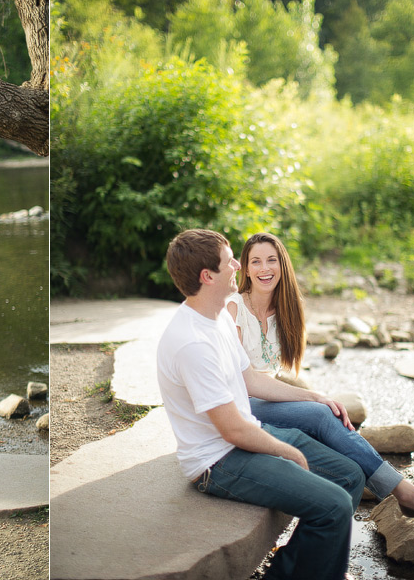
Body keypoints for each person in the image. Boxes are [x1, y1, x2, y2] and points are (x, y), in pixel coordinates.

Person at [157, 228, 365, 580]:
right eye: (230, 262)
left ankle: (289, 571)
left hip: (246, 434)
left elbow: (250, 379)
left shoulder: (219, 315)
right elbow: (231, 429)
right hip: (218, 461)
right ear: (207, 277)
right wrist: (289, 453)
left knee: (349, 476)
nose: (239, 264)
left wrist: (314, 396)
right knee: (334, 506)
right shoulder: (192, 343)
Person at [227, 231, 414, 522]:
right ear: (246, 269)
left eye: (272, 260)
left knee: (334, 435)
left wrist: (314, 401)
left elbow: (269, 380)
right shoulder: (234, 308)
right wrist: (314, 397)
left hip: (263, 400)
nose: (265, 269)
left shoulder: (285, 309)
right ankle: (403, 491)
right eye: (256, 261)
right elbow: (247, 381)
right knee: (323, 414)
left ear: (282, 265)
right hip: (236, 405)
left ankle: (328, 544)